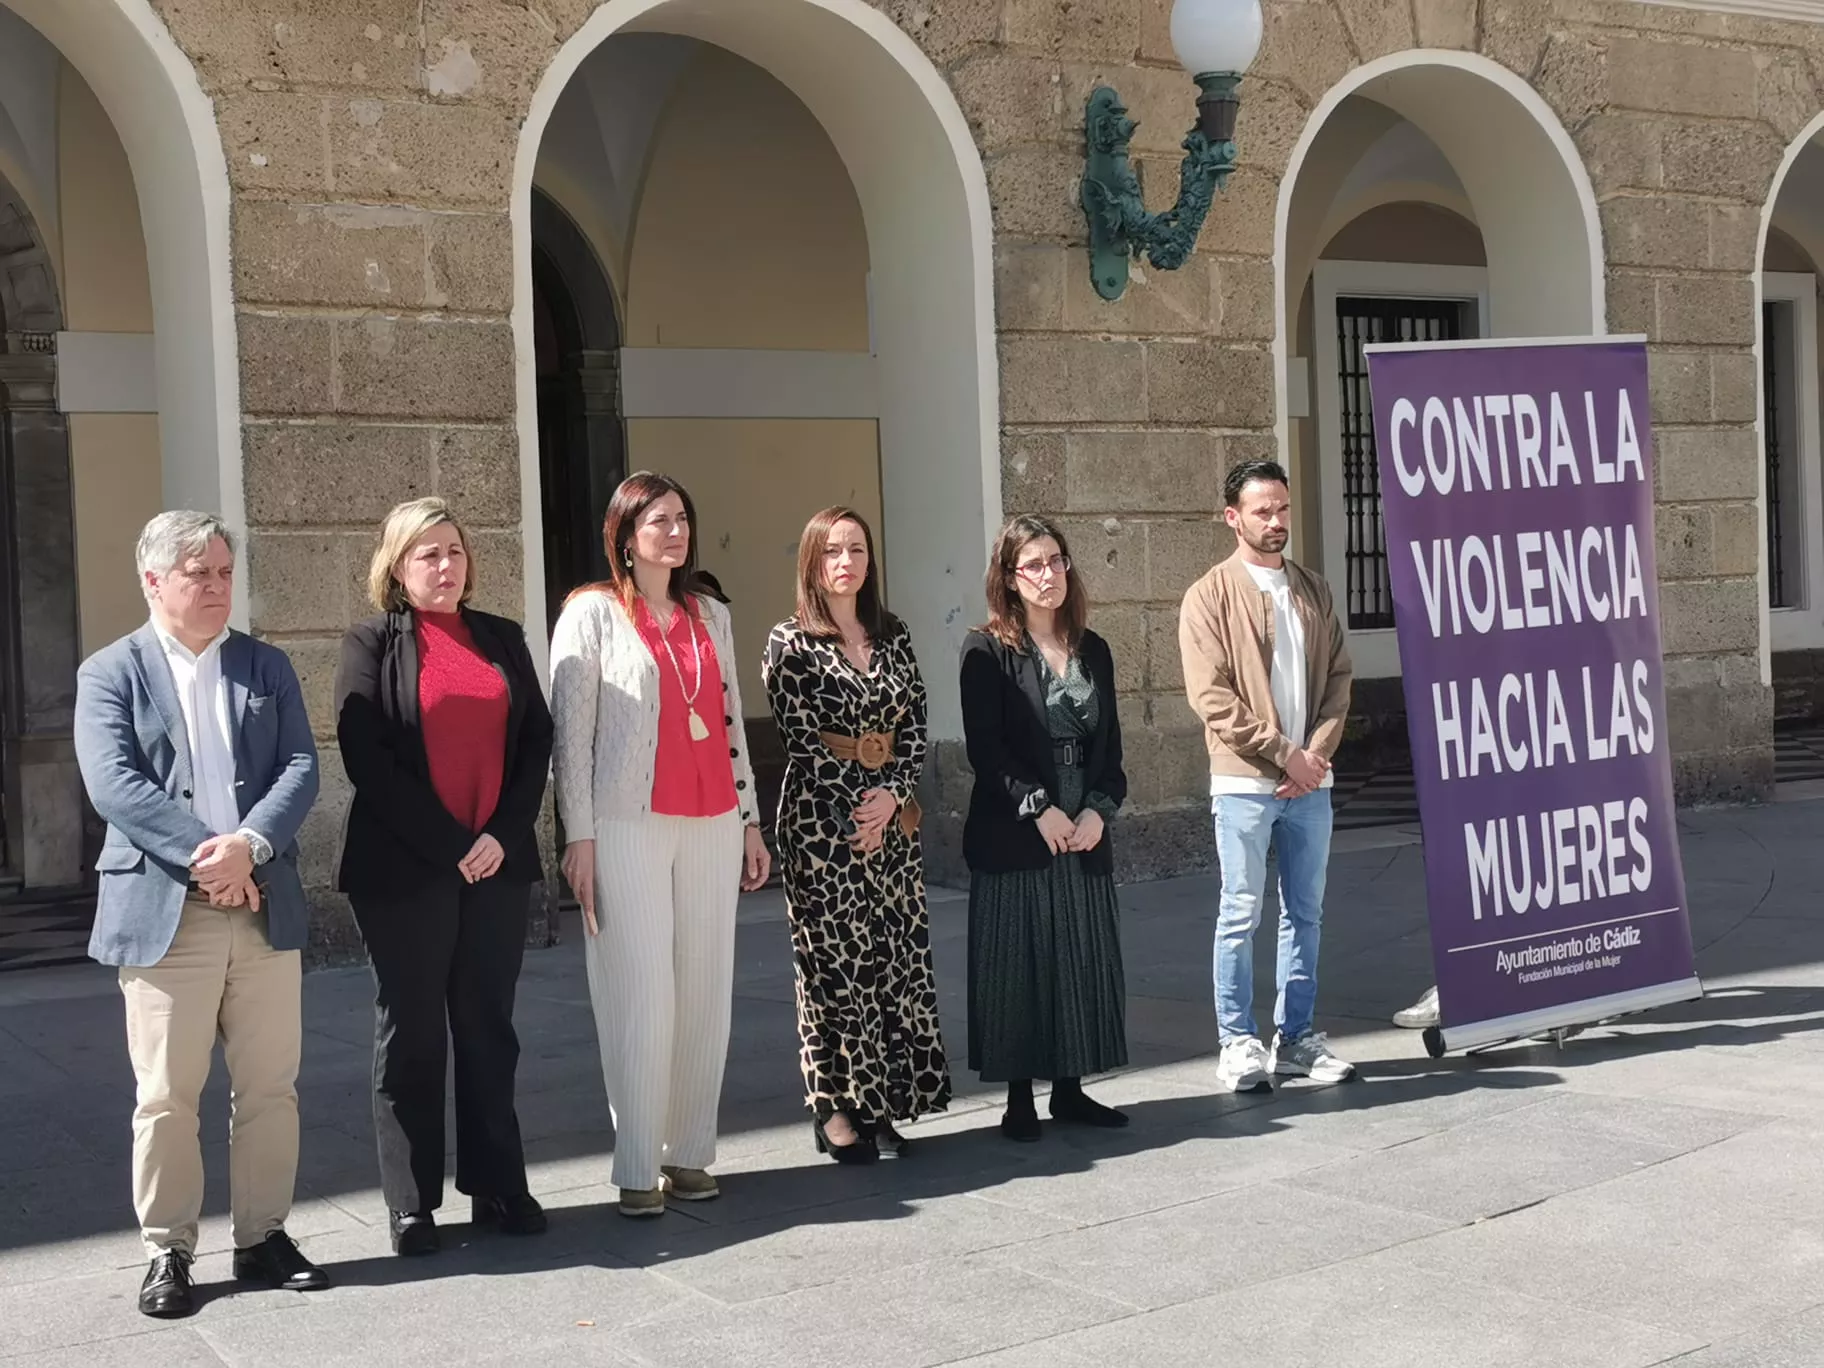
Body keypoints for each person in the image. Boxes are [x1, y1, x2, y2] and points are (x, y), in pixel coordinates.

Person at [72, 511, 326, 1319]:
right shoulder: (109, 672)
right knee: (167, 1096)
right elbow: (114, 783)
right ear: (153, 581)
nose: (218, 588)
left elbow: (299, 766)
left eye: (224, 573)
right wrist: (210, 855)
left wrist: (249, 846)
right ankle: (169, 1250)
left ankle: (262, 1236)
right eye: (199, 576)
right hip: (165, 913)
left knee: (268, 1087)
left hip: (259, 906)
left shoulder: (265, 665)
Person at [334, 497, 555, 1256]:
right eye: (427, 554)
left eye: (455, 551)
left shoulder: (501, 637)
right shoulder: (370, 642)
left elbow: (536, 741)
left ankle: (498, 1182)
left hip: (497, 862)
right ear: (396, 567)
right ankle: (411, 1201)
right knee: (413, 1029)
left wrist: (500, 834)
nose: (445, 565)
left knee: (488, 1026)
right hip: (406, 868)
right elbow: (367, 755)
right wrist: (451, 843)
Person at [550, 472, 771, 1218]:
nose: (674, 532)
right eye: (658, 521)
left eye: (682, 518)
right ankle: (638, 1162)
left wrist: (750, 819)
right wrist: (577, 835)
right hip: (625, 822)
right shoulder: (590, 614)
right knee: (643, 991)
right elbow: (569, 740)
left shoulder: (710, 612)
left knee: (705, 987)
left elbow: (734, 718)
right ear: (625, 533)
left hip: (711, 818)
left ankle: (689, 1152)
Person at [761, 507, 951, 1163]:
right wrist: (857, 806)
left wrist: (892, 795)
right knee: (835, 970)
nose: (847, 562)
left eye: (858, 550)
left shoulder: (891, 635)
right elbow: (802, 739)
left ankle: (886, 1104)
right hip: (822, 825)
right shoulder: (789, 642)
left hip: (891, 823)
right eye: (833, 551)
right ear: (813, 562)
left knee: (890, 962)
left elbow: (918, 721)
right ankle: (837, 1109)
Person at [1179, 459, 1355, 1093]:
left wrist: (1316, 754)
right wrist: (1287, 754)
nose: (1277, 521)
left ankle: (1298, 1038)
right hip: (1245, 783)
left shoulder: (1313, 588)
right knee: (1241, 912)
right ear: (1234, 517)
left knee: (1305, 913)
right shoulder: (1208, 595)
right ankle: (1237, 1041)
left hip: (1311, 783)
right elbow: (1212, 698)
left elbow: (1339, 679)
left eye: (1283, 508)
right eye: (1262, 511)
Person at [962, 516, 1130, 1141]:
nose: (1047, 575)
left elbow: (1110, 752)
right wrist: (1039, 808)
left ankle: (1071, 1089)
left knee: (1078, 954)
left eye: (1055, 560)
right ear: (1008, 577)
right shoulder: (986, 651)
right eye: (1031, 565)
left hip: (1081, 819)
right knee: (1020, 956)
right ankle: (1018, 1100)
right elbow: (986, 749)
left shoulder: (1095, 648)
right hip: (1020, 823)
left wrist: (1095, 811)